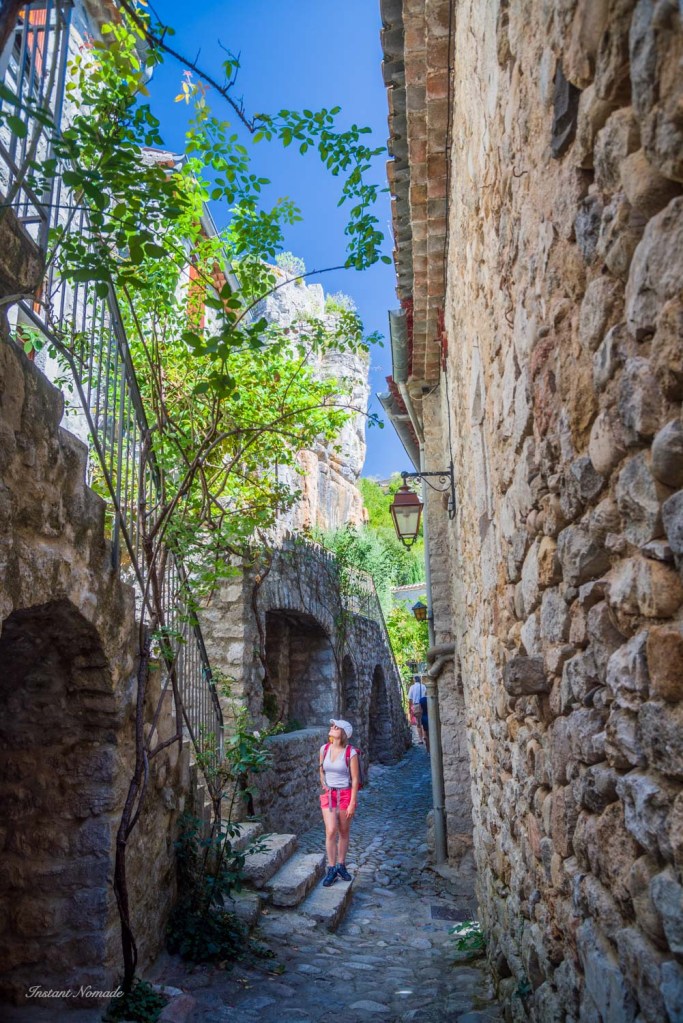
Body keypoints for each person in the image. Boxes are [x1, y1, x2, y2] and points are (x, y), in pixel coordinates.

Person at [319, 718, 360, 887]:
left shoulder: (351, 753)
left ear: (343, 733)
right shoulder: (324, 748)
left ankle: (341, 865)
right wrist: (324, 783)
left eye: (336, 727)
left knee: (343, 831)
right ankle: (331, 868)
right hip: (329, 794)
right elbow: (321, 769)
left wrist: (352, 802)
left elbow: (356, 779)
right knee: (331, 830)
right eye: (332, 725)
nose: (332, 727)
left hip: (345, 794)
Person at [408, 675, 430, 752]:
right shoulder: (423, 686)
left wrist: (410, 708)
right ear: (420, 680)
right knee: (424, 721)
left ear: (414, 680)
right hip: (424, 704)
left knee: (418, 723)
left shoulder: (412, 687)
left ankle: (420, 739)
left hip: (416, 705)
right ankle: (425, 736)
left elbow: (410, 698)